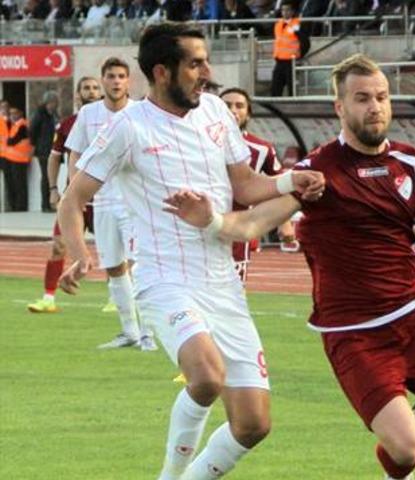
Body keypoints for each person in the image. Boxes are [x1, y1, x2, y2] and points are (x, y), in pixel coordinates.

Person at [163, 53, 415, 480]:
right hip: (353, 332)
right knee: (407, 448)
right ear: (340, 107)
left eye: (382, 97)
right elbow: (255, 222)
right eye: (362, 98)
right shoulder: (318, 171)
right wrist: (212, 221)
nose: (375, 107)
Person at [57, 23, 324, 480]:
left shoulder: (217, 112)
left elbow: (245, 185)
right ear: (162, 72)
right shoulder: (128, 126)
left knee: (254, 423)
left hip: (222, 279)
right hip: (164, 278)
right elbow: (72, 197)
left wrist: (288, 180)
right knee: (205, 376)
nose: (207, 72)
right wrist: (78, 252)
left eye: (206, 61)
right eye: (195, 64)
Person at [65, 57, 156, 350]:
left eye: (121, 76)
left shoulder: (140, 112)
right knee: (114, 267)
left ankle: (149, 335)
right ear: (103, 80)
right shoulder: (88, 114)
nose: (116, 81)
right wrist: (76, 189)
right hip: (102, 202)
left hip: (133, 201)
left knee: (138, 266)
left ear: (128, 81)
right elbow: (75, 154)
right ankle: (129, 331)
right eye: (111, 76)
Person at [27, 77, 103, 315]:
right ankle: (48, 298)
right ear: (78, 94)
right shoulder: (69, 124)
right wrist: (53, 189)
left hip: (107, 199)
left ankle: (118, 299)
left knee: (115, 250)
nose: (91, 92)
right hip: (76, 199)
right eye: (86, 88)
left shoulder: (115, 122)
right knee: (59, 246)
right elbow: (53, 157)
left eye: (94, 88)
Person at [219, 87, 286, 283]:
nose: (233, 110)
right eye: (226, 105)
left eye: (239, 106)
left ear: (248, 113)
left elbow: (280, 183)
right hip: (200, 227)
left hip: (237, 233)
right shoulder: (197, 142)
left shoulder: (261, 149)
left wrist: (285, 222)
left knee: (233, 298)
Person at [30, 91, 61, 212]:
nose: (54, 105)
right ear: (47, 102)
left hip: (53, 149)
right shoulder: (40, 115)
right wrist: (35, 145)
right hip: (43, 150)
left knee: (52, 177)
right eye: (52, 102)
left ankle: (51, 202)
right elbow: (32, 131)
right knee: (46, 177)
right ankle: (45, 204)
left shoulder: (54, 115)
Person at [2, 106, 33, 212]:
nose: (12, 115)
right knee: (14, 184)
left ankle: (20, 207)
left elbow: (12, 141)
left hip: (20, 159)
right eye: (11, 113)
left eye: (15, 113)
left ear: (20, 113)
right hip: (13, 159)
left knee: (19, 185)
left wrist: (8, 140)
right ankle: (15, 206)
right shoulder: (15, 125)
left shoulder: (22, 125)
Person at [270, 2, 302, 97]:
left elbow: (305, 41)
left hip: (291, 61)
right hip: (279, 60)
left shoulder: (297, 24)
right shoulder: (278, 24)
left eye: (287, 10)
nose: (285, 12)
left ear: (292, 11)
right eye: (283, 10)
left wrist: (300, 55)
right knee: (275, 87)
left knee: (292, 88)